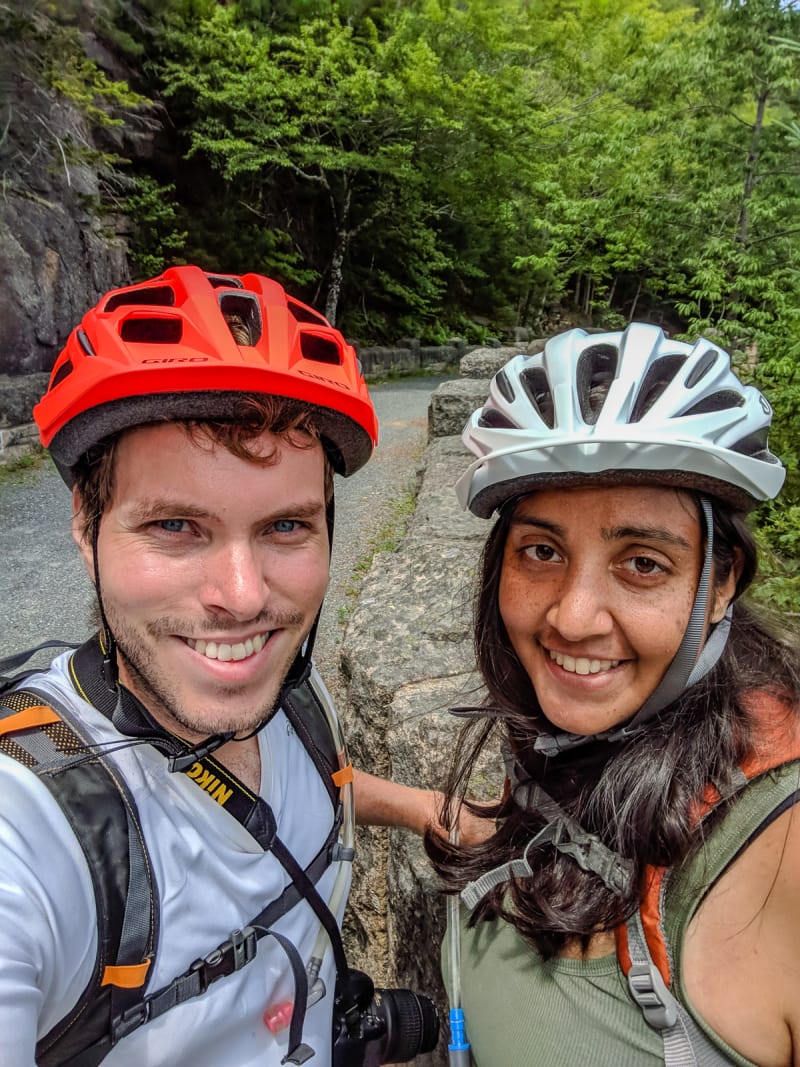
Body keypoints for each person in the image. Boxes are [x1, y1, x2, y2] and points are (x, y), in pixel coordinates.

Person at [0, 265, 381, 1066]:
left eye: (285, 526)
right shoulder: (27, 826)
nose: (243, 599)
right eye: (176, 525)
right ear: (85, 523)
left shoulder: (294, 695)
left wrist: (425, 810)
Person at [419, 323, 800, 1066]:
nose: (571, 615)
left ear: (721, 583)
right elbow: (548, 832)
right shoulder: (583, 735)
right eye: (541, 550)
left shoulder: (779, 843)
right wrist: (362, 793)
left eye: (643, 563)